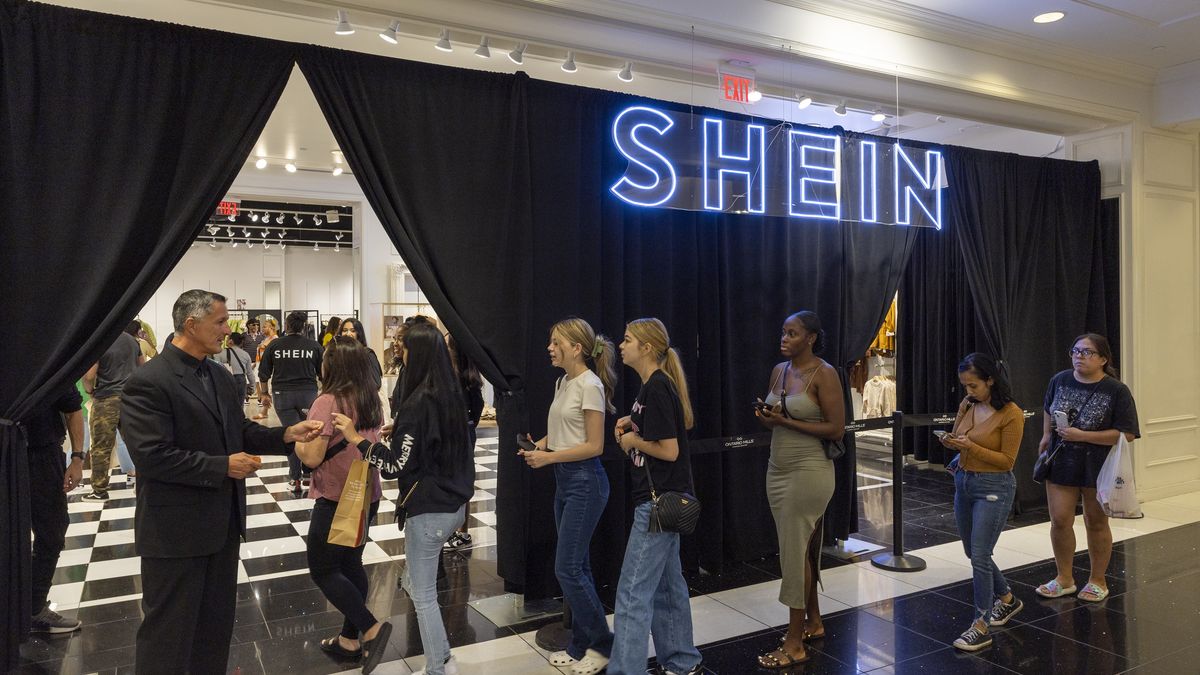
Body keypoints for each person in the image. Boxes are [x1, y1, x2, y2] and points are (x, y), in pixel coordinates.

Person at [120, 289, 322, 674]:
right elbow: (151, 456)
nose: (227, 330)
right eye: (219, 322)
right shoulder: (149, 381)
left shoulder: (218, 373)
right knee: (167, 635)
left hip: (222, 526)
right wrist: (222, 466)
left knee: (215, 628)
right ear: (191, 325)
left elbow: (239, 429)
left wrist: (286, 435)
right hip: (174, 533)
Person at [334, 322, 473, 675]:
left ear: (418, 353)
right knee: (416, 583)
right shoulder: (448, 393)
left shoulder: (417, 402)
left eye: (404, 348)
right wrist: (403, 431)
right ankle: (442, 656)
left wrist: (357, 438)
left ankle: (437, 667)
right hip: (454, 505)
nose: (400, 353)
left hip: (429, 511)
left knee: (422, 593)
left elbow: (395, 465)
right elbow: (433, 439)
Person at [519, 318, 616, 675]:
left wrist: (548, 457)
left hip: (585, 482)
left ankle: (604, 646)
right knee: (579, 567)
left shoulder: (590, 385)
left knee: (568, 568)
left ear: (577, 348)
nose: (549, 347)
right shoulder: (564, 381)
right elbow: (565, 431)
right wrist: (541, 444)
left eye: (556, 341)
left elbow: (594, 445)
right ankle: (581, 644)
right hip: (566, 481)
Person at [608, 318, 701, 675]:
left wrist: (632, 440)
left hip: (657, 502)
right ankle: (682, 659)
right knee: (667, 586)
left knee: (632, 594)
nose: (621, 344)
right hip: (659, 499)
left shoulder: (658, 387)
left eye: (628, 339)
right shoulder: (652, 387)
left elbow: (670, 450)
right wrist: (631, 425)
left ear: (646, 348)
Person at [753, 311, 844, 668]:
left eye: (792, 333)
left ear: (811, 338)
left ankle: (794, 643)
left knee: (793, 553)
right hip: (778, 467)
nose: (784, 338)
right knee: (801, 550)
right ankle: (814, 623)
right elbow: (774, 416)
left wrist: (785, 421)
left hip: (810, 471)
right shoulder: (780, 371)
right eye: (783, 331)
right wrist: (765, 416)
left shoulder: (824, 374)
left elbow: (836, 429)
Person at [295, 337, 391, 672]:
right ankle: (350, 640)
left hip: (337, 496)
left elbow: (313, 456)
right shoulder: (370, 398)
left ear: (333, 365)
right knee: (351, 565)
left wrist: (297, 444)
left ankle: (371, 627)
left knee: (322, 568)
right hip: (366, 494)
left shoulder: (327, 401)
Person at [1037, 334, 1140, 603]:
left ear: (1103, 359)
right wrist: (1046, 437)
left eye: (1088, 352)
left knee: (1095, 522)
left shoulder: (1116, 390)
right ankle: (1064, 578)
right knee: (1059, 520)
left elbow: (1126, 433)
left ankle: (1097, 580)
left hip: (1099, 465)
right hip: (1061, 460)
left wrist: (1081, 435)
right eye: (1076, 351)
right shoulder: (1059, 380)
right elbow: (1048, 408)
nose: (1079, 356)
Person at [939, 353, 1026, 651]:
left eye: (974, 385)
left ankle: (981, 624)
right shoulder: (968, 404)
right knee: (972, 550)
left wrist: (971, 447)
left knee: (979, 554)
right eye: (965, 386)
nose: (968, 392)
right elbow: (959, 435)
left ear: (990, 380)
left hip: (994, 486)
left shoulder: (1011, 413)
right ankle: (1008, 600)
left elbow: (1007, 461)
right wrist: (951, 441)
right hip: (964, 480)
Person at [21, 381, 85, 633]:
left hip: (43, 454)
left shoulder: (45, 356)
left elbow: (73, 408)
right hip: (11, 453)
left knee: (52, 532)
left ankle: (34, 607)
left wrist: (77, 458)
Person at [258, 311, 324, 495]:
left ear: (286, 325)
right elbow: (324, 373)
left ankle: (294, 478)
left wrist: (264, 393)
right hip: (308, 395)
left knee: (292, 434)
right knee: (310, 433)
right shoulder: (314, 346)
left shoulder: (275, 345)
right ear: (304, 326)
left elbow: (264, 373)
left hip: (282, 395)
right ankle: (308, 475)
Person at [81, 320, 144, 501]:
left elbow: (90, 375)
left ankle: (99, 490)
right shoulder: (133, 341)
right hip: (131, 400)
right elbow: (142, 368)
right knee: (137, 443)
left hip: (106, 399)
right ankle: (142, 485)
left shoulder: (101, 343)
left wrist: (90, 390)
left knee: (101, 447)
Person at [445, 332, 484, 550]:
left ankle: (457, 530)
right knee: (463, 480)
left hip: (457, 434)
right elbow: (476, 410)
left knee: (456, 480)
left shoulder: (453, 377)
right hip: (466, 433)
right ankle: (460, 530)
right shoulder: (471, 377)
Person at [340, 318, 383, 390]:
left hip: (362, 399)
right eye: (344, 330)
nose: (348, 334)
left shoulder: (367, 354)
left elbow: (376, 383)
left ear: (359, 333)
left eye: (353, 331)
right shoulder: (340, 354)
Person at [213, 332, 255, 404]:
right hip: (241, 380)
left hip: (225, 380)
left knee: (226, 405)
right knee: (239, 405)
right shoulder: (245, 354)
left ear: (231, 341)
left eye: (227, 339)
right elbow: (250, 373)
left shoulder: (220, 353)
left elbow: (216, 371)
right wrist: (252, 386)